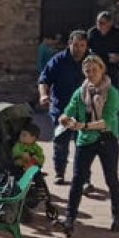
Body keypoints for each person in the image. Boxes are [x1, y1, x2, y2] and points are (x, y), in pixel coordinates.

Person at [59, 54, 119, 237]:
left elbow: (108, 122)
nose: (91, 74)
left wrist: (84, 126)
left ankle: (117, 217)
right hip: (85, 140)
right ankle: (69, 219)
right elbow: (68, 110)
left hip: (106, 138)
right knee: (77, 180)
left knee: (111, 178)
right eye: (87, 71)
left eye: (94, 70)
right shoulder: (80, 92)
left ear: (102, 70)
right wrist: (64, 118)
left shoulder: (111, 92)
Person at [39, 30, 90, 184]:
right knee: (61, 142)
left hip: (84, 109)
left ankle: (84, 178)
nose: (78, 48)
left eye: (82, 45)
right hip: (61, 107)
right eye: (75, 45)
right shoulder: (58, 60)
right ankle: (59, 173)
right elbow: (44, 79)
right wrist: (43, 95)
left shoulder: (91, 60)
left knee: (84, 145)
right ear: (69, 44)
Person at [88, 11, 119, 83]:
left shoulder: (118, 33)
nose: (99, 25)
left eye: (102, 23)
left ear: (110, 23)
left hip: (112, 69)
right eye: (98, 22)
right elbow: (87, 47)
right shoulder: (93, 33)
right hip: (95, 67)